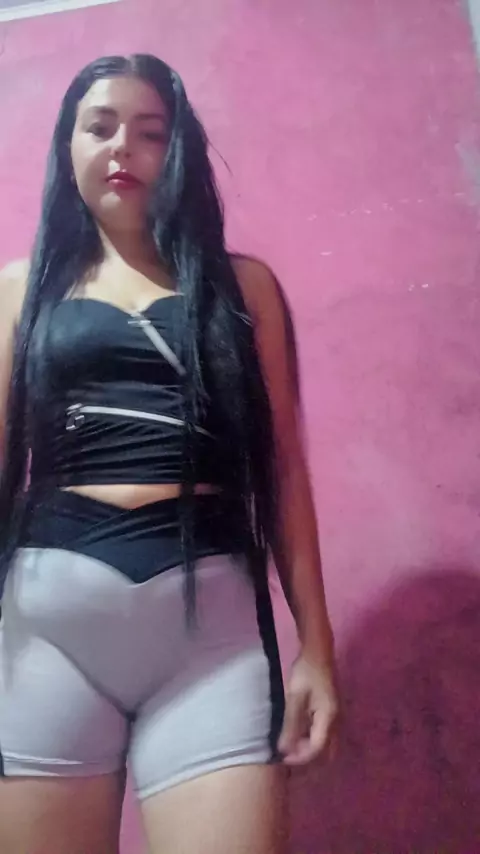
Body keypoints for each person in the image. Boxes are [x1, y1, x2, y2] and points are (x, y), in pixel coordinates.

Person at [0, 54, 338, 854]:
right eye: (100, 127)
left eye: (150, 132)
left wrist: (318, 652)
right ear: (69, 145)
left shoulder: (244, 289)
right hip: (47, 641)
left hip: (211, 645)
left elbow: (284, 474)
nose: (123, 147)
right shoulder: (20, 289)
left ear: (178, 150)